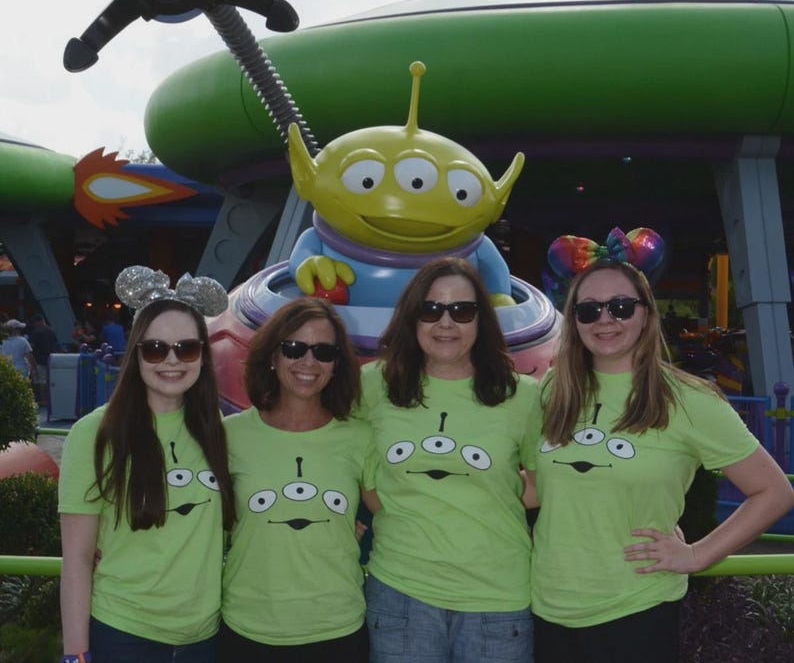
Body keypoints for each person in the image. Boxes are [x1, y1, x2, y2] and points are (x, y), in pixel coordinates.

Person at [525, 243, 794, 663]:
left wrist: (696, 554)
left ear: (646, 313)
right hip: (545, 606)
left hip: (637, 609)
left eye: (620, 306)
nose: (605, 319)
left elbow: (774, 491)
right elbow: (541, 487)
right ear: (573, 320)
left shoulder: (689, 399)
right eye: (589, 309)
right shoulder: (552, 391)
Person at [359, 256, 538, 662]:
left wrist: (492, 500)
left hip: (498, 599)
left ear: (481, 320)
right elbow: (340, 455)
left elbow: (554, 479)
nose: (446, 323)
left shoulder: (523, 396)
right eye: (431, 309)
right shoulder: (373, 385)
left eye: (462, 310)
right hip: (401, 594)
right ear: (411, 316)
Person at [58, 266, 235, 663]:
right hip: (123, 634)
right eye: (155, 348)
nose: (171, 361)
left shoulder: (216, 430)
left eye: (186, 348)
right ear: (135, 353)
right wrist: (75, 654)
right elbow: (78, 556)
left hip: (205, 637)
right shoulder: (94, 433)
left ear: (203, 356)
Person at [219, 296, 373, 662]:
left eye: (323, 351)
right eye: (294, 348)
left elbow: (401, 508)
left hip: (337, 629)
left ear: (337, 364)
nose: (309, 362)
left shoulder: (360, 437)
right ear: (273, 356)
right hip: (247, 627)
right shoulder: (229, 436)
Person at [28, 313, 61, 405]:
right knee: (50, 380)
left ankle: (43, 400)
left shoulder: (36, 332)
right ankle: (50, 399)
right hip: (51, 358)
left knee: (41, 380)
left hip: (39, 359)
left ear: (37, 322)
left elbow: (31, 346)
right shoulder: (52, 330)